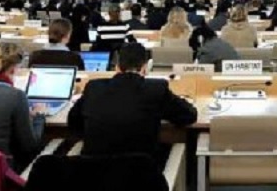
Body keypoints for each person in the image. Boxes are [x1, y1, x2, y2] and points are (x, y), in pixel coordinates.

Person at [67, 43, 197, 164]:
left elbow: (73, 122)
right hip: (140, 173)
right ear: (145, 68)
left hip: (94, 174)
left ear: (117, 67)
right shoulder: (156, 89)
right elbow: (189, 115)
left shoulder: (93, 88)